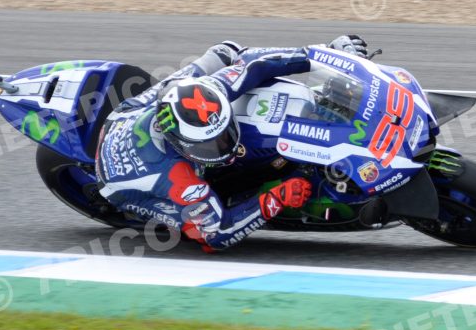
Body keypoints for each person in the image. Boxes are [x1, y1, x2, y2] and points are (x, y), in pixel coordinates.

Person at [95, 35, 368, 252]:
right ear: (181, 145)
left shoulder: (211, 89)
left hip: (125, 113)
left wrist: (330, 55)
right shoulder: (177, 177)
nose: (225, 146)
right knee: (196, 228)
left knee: (225, 52)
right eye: (211, 144)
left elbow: (256, 62)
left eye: (224, 133)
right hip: (118, 179)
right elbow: (218, 234)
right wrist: (275, 199)